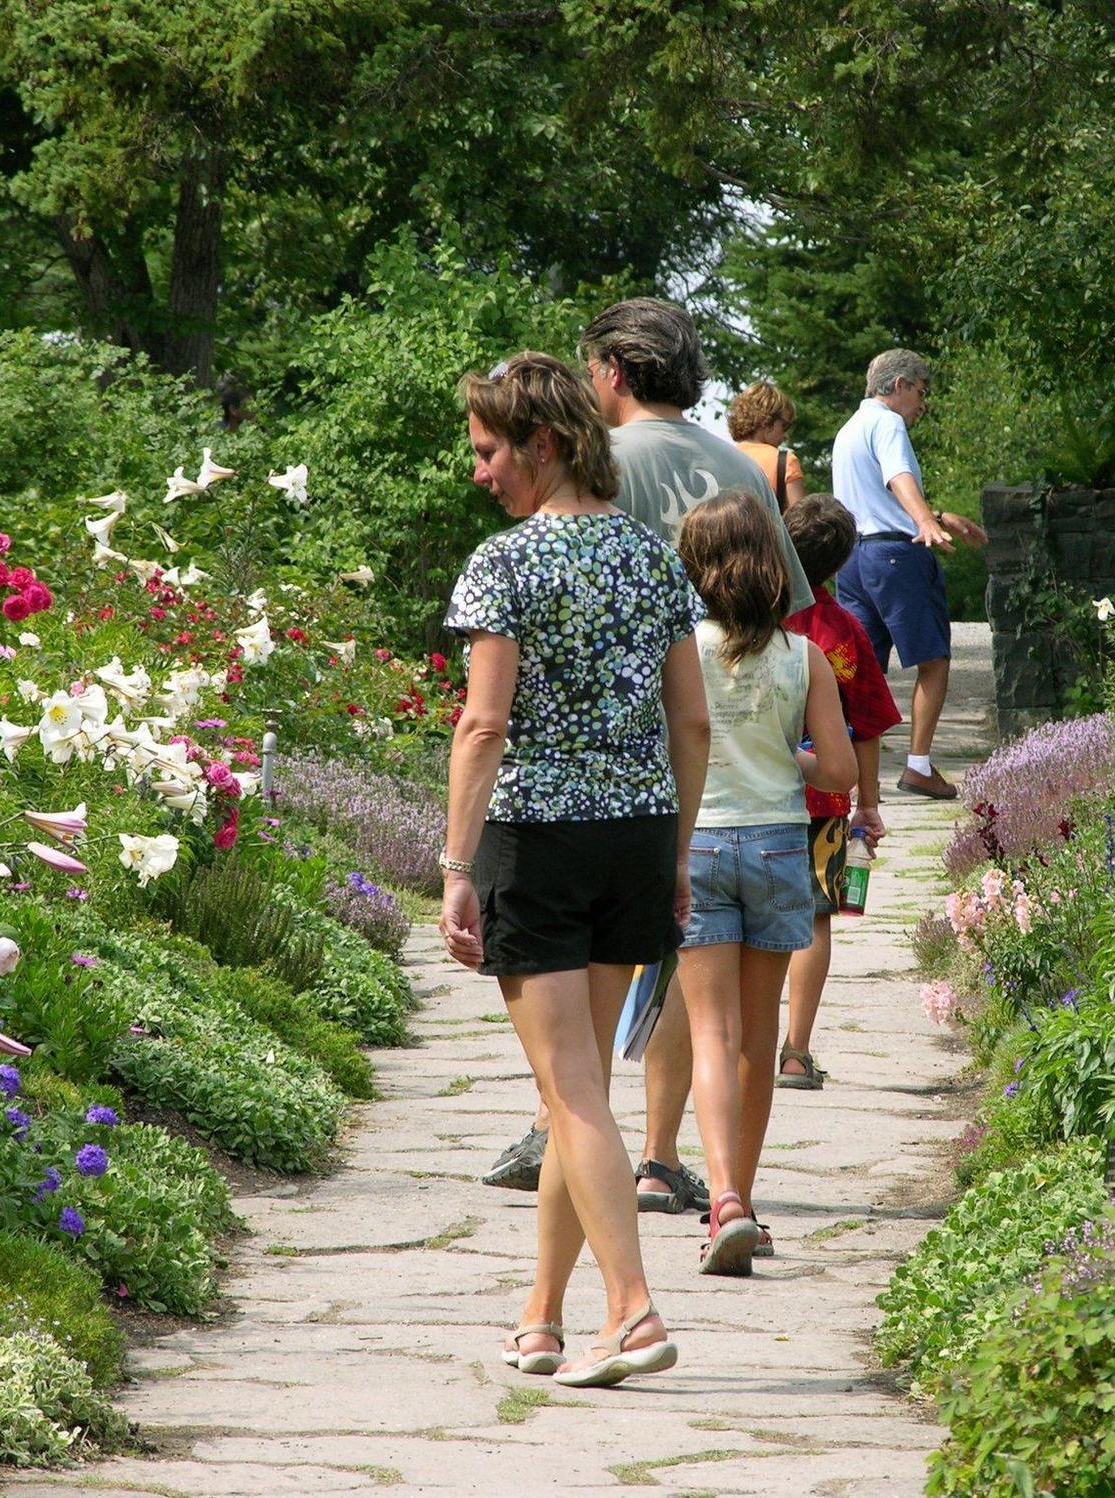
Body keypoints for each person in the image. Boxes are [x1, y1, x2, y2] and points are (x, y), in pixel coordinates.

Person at [481, 299, 809, 1205]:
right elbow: (792, 602)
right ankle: (661, 1152)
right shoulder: (733, 460)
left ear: (614, 372)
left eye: (594, 367)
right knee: (673, 953)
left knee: (578, 960)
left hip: (602, 745)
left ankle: (564, 1126)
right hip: (719, 732)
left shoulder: (601, 464)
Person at [440, 351, 709, 1388]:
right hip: (637, 835)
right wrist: (676, 854)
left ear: (543, 445)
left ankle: (632, 1310)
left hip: (539, 843)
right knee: (578, 1090)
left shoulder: (503, 564)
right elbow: (689, 719)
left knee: (573, 1096)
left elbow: (482, 724)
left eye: (488, 450)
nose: (479, 473)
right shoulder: (652, 558)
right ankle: (541, 1315)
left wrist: (456, 866)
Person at [674, 491, 856, 1272]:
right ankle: (744, 1199)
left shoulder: (679, 650)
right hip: (782, 846)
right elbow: (841, 771)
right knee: (758, 1038)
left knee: (708, 1036)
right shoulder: (803, 656)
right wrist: (791, 757)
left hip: (701, 846)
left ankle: (722, 1203)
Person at [777, 493, 900, 1089]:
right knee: (814, 920)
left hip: (745, 799)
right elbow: (869, 726)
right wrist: (869, 805)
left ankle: (721, 1046)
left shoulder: (746, 620)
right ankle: (796, 1052)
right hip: (823, 804)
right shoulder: (843, 631)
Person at [830, 349, 987, 799]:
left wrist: (936, 514)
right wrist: (924, 522)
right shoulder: (888, 422)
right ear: (898, 385)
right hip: (896, 558)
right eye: (921, 392)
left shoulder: (849, 430)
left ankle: (857, 780)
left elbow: (873, 497)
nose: (923, 403)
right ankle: (918, 766)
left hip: (854, 560)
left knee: (862, 670)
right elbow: (899, 477)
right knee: (933, 660)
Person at [728, 382, 808, 510]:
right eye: (784, 426)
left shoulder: (722, 458)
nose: (786, 435)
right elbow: (802, 524)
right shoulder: (784, 462)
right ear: (767, 421)